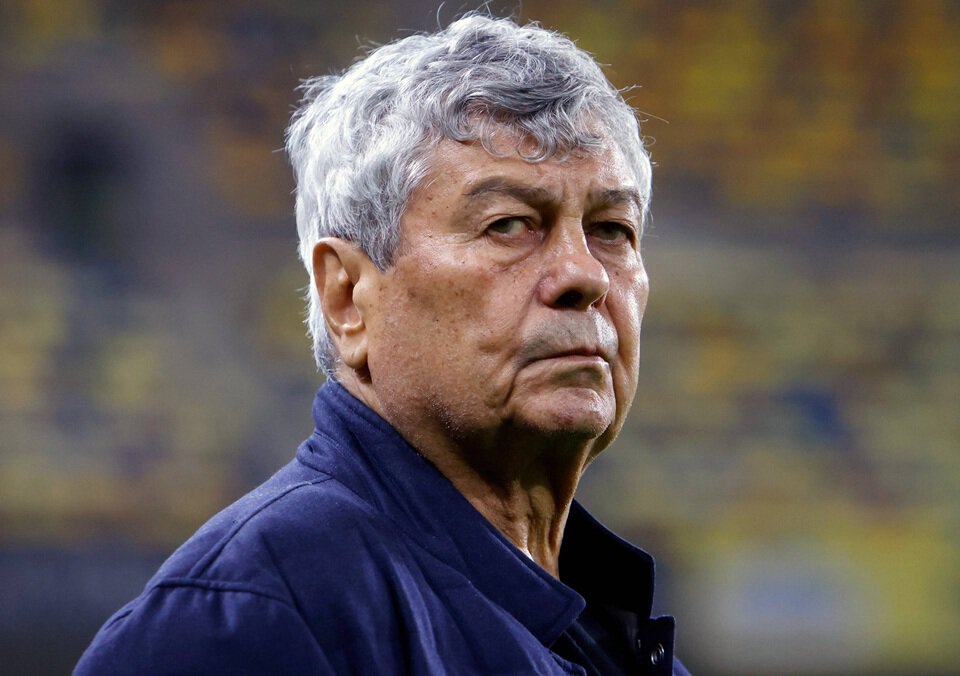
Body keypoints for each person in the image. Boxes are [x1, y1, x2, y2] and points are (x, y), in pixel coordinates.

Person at [74, 13, 687, 676]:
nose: (585, 275)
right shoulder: (242, 621)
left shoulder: (617, 640)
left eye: (612, 229)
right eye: (509, 224)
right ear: (347, 297)